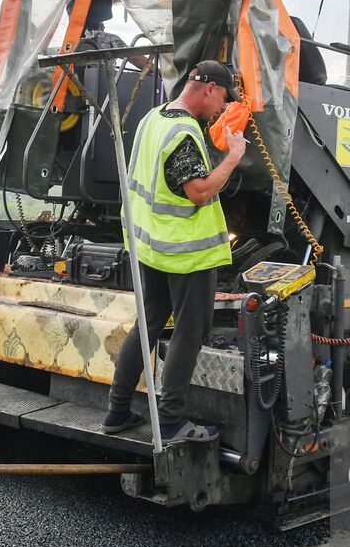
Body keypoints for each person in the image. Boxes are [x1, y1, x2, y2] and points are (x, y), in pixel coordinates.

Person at [102, 60, 246, 444]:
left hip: (150, 245)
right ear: (209, 89)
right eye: (223, 99)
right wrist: (233, 155)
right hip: (186, 253)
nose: (222, 109)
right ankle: (169, 421)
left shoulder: (154, 117)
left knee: (147, 324)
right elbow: (198, 190)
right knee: (189, 331)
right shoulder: (183, 132)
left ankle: (117, 411)